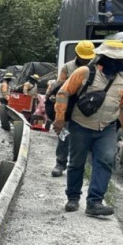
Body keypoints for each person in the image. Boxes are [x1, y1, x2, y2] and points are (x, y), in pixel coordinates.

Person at [52, 40, 123, 217]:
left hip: (107, 128)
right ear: (107, 58)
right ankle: (73, 197)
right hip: (80, 126)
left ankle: (95, 202)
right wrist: (59, 119)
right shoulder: (84, 73)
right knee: (76, 163)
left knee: (105, 161)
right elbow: (63, 93)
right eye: (120, 59)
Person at [48, 40, 96, 176]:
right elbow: (60, 88)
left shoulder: (97, 68)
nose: (86, 61)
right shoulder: (68, 68)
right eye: (83, 58)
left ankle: (83, 167)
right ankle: (60, 163)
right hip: (69, 107)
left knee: (88, 137)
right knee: (65, 135)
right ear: (77, 54)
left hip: (88, 108)